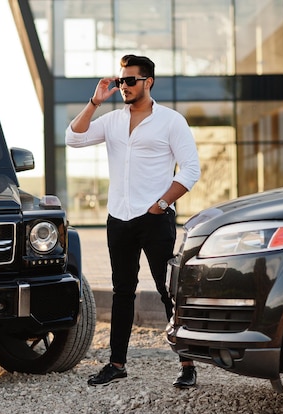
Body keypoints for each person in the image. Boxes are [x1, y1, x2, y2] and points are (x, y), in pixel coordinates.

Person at [65, 54, 201, 388]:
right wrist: (95, 102)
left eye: (130, 80)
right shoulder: (112, 120)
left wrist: (162, 204)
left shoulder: (171, 121)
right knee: (122, 292)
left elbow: (191, 169)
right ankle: (117, 364)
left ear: (148, 81)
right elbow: (74, 137)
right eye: (121, 80)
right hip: (119, 218)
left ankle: (187, 364)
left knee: (167, 290)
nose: (123, 86)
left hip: (154, 219)